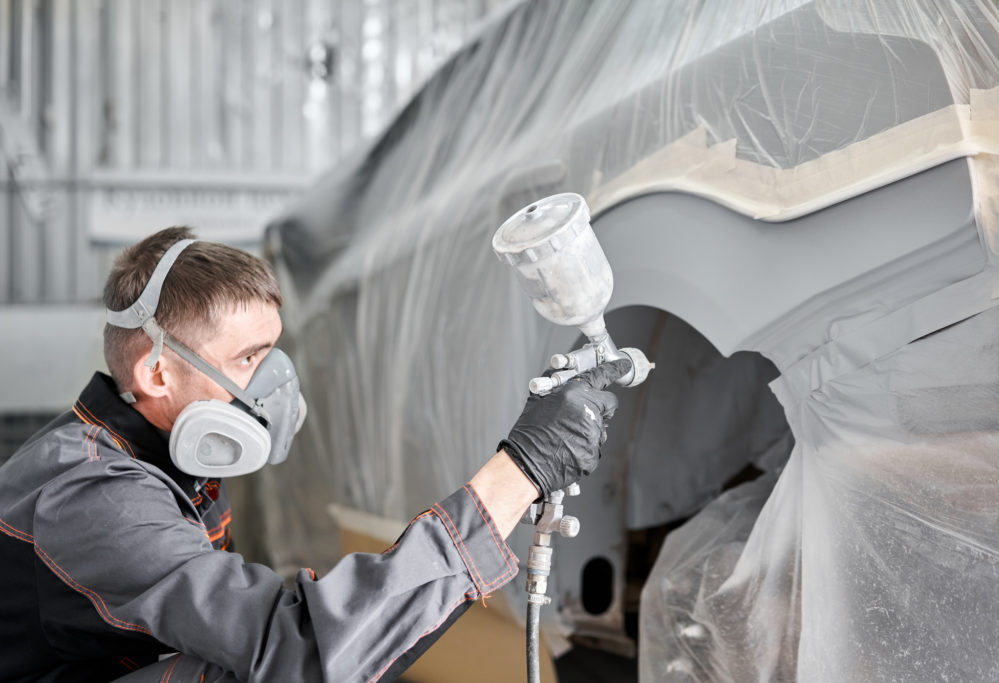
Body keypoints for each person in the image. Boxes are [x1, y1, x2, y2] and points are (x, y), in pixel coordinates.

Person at [0, 227, 629, 682]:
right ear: (159, 372)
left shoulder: (162, 458)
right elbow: (301, 650)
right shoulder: (95, 496)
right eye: (247, 358)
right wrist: (519, 471)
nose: (271, 384)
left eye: (271, 353)